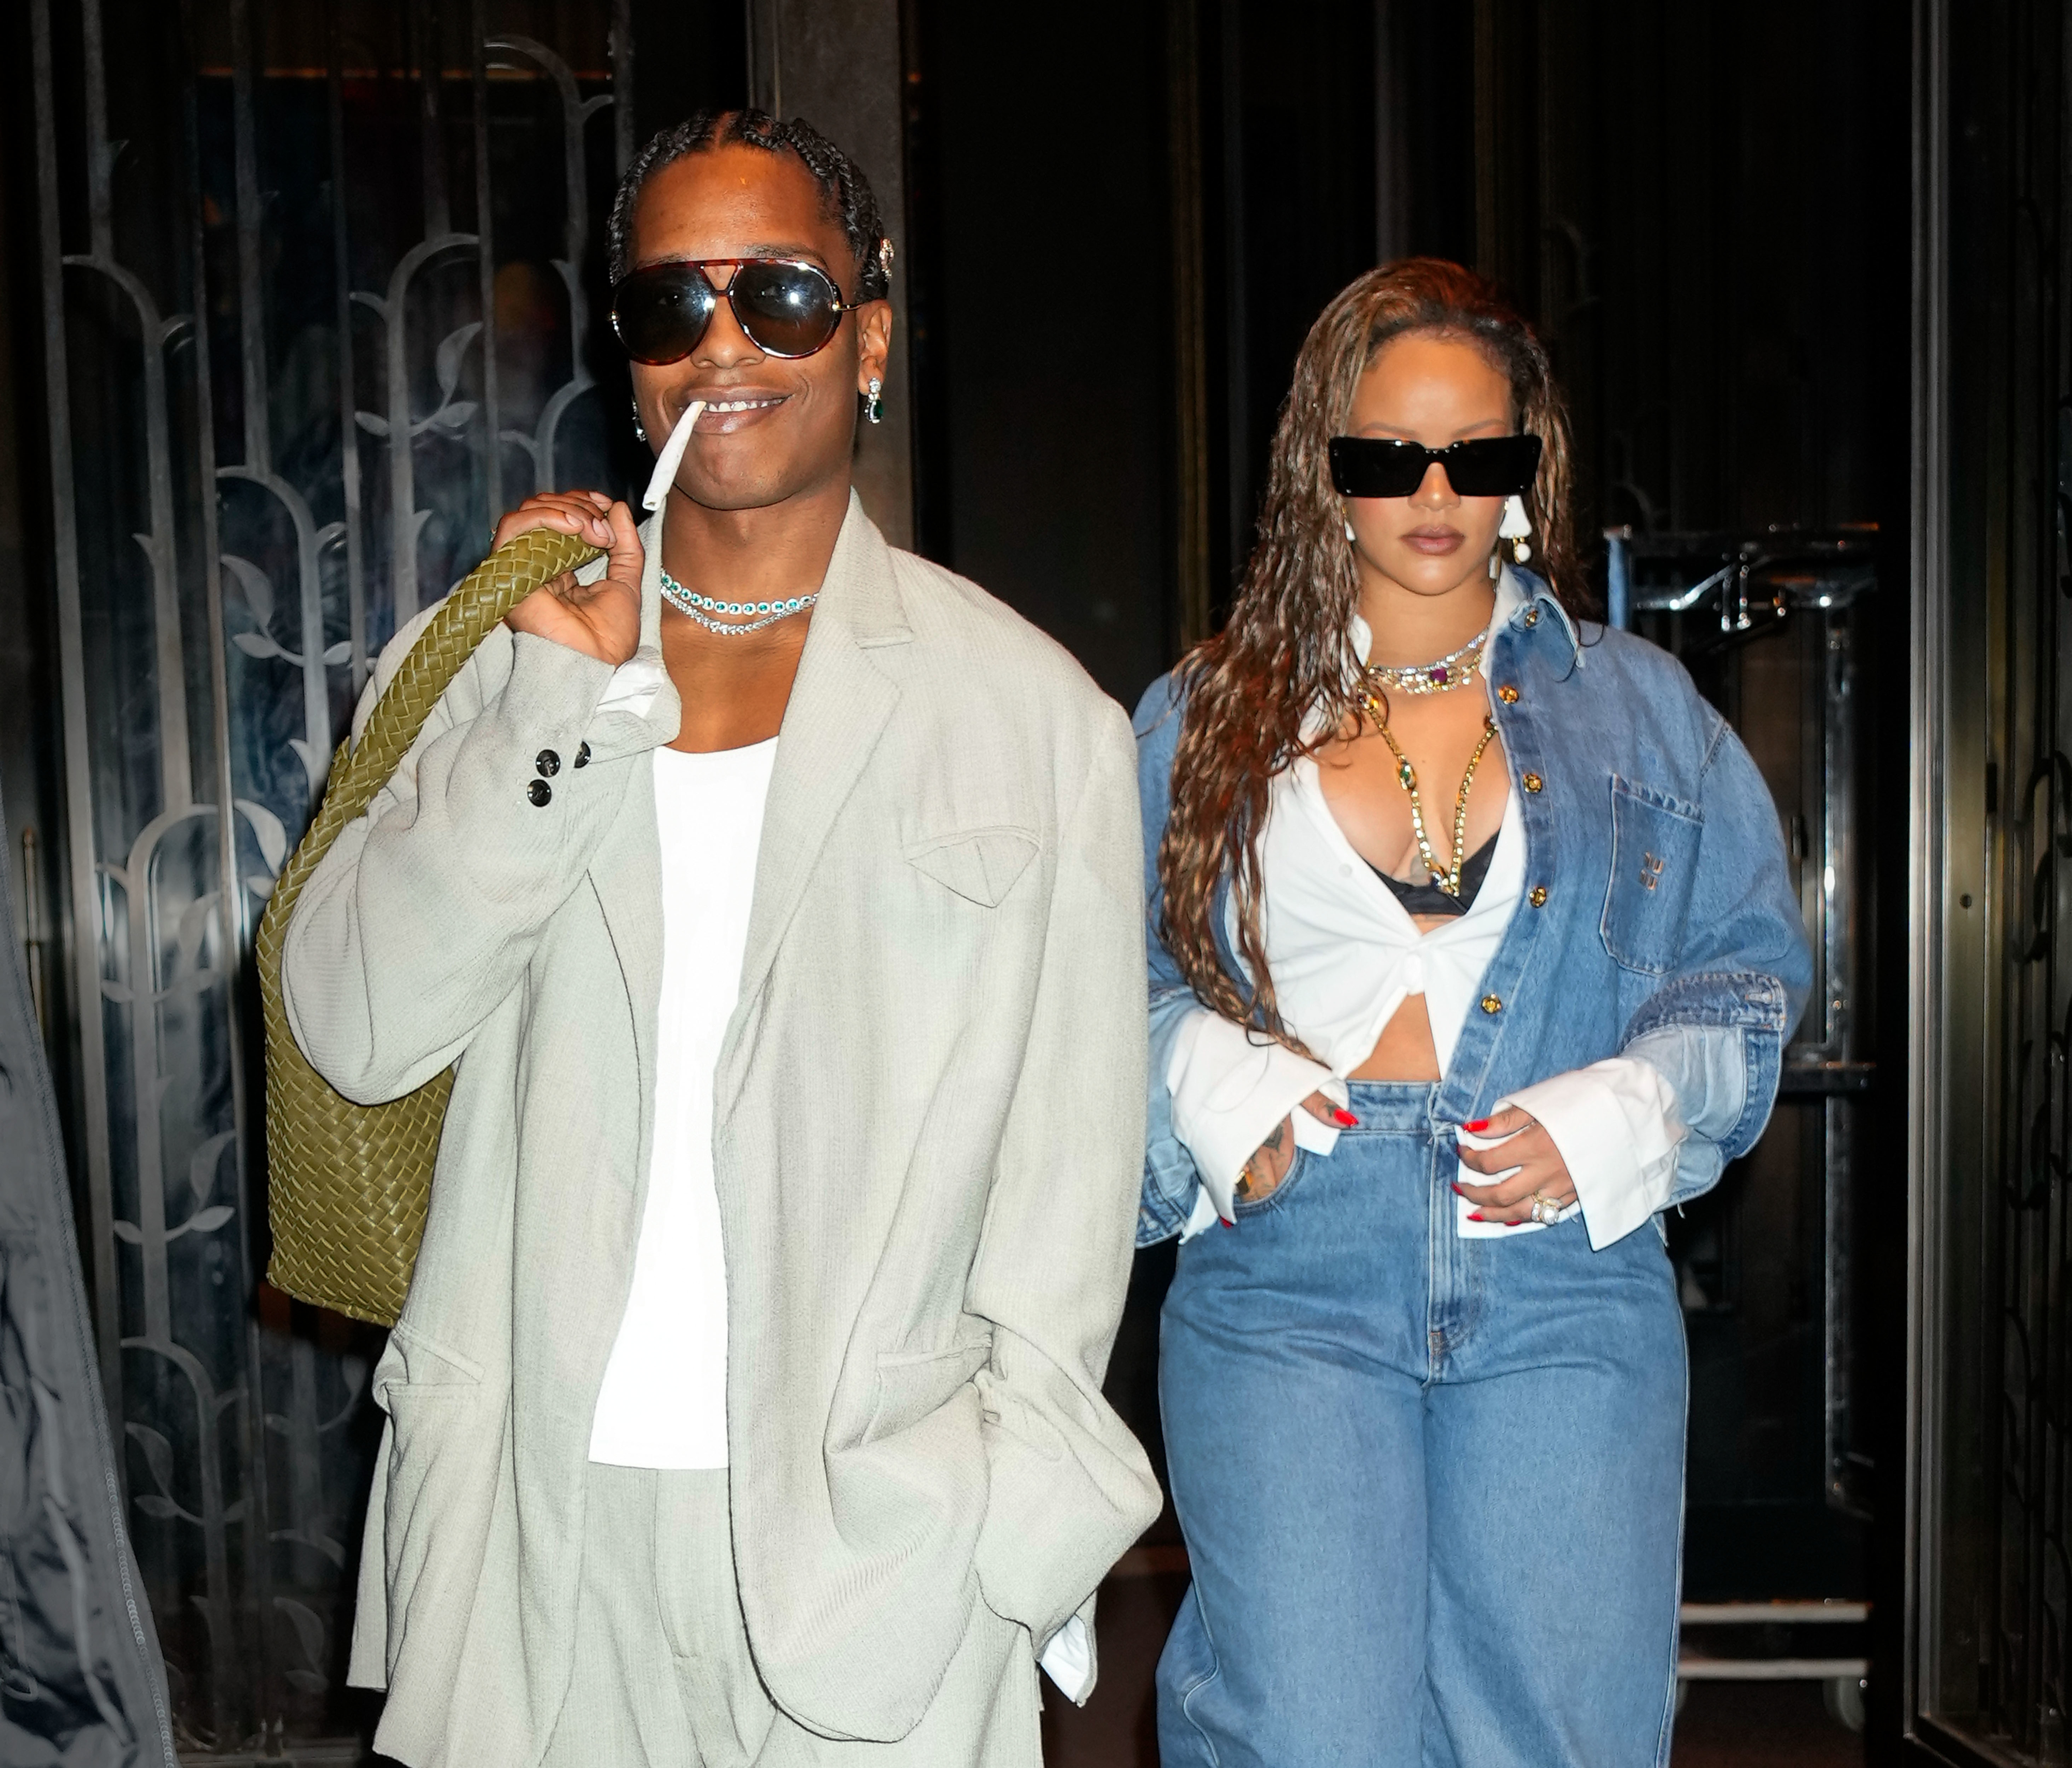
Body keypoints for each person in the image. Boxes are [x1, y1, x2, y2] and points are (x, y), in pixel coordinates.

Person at [281, 109, 1158, 1768]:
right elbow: (353, 1025)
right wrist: (556, 696)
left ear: (871, 333)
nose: (728, 346)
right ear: (628, 356)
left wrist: (1003, 1542)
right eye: (673, 308)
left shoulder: (1034, 723)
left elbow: (1070, 1196)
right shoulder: (492, 660)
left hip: (878, 1550)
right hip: (535, 1536)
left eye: (785, 299)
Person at [1134, 259, 1812, 1768]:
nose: (1433, 492)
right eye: (1388, 456)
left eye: (1476, 454)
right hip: (1293, 1269)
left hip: (1560, 1271)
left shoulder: (1640, 709)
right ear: (1328, 474)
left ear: (1525, 471)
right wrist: (1205, 1081)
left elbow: (1751, 966)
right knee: (1308, 1735)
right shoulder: (1201, 717)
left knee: (1557, 1736)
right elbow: (1101, 980)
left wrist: (1626, 1110)